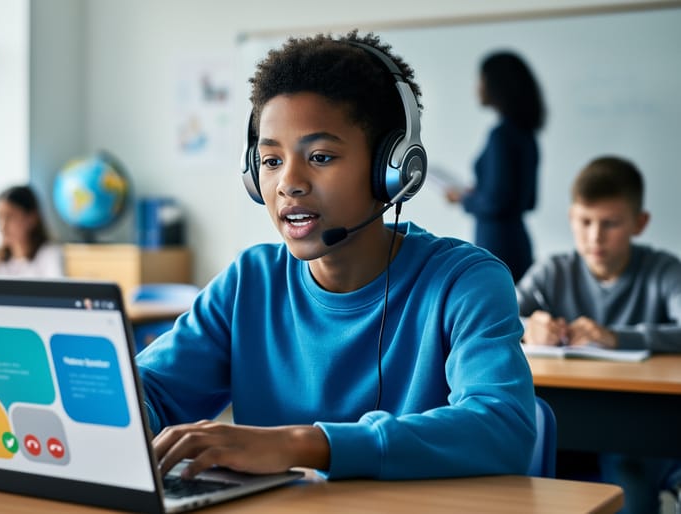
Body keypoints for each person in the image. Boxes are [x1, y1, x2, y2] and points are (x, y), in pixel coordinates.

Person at [137, 31, 535, 481]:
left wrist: (303, 444)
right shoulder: (249, 282)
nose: (289, 182)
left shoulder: (465, 282)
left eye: (321, 156)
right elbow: (148, 392)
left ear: (392, 169)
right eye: (270, 161)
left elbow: (504, 429)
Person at [516, 156, 681, 513]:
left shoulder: (663, 271)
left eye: (610, 224)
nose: (595, 236)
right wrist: (530, 327)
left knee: (629, 478)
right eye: (585, 221)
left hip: (638, 425)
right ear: (571, 218)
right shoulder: (553, 270)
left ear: (640, 223)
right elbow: (499, 315)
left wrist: (618, 338)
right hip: (564, 422)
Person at [446, 50, 545, 283]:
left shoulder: (501, 135)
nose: (477, 87)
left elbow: (495, 203)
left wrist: (463, 198)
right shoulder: (525, 134)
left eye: (480, 79)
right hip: (517, 241)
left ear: (496, 84)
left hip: (497, 243)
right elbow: (528, 200)